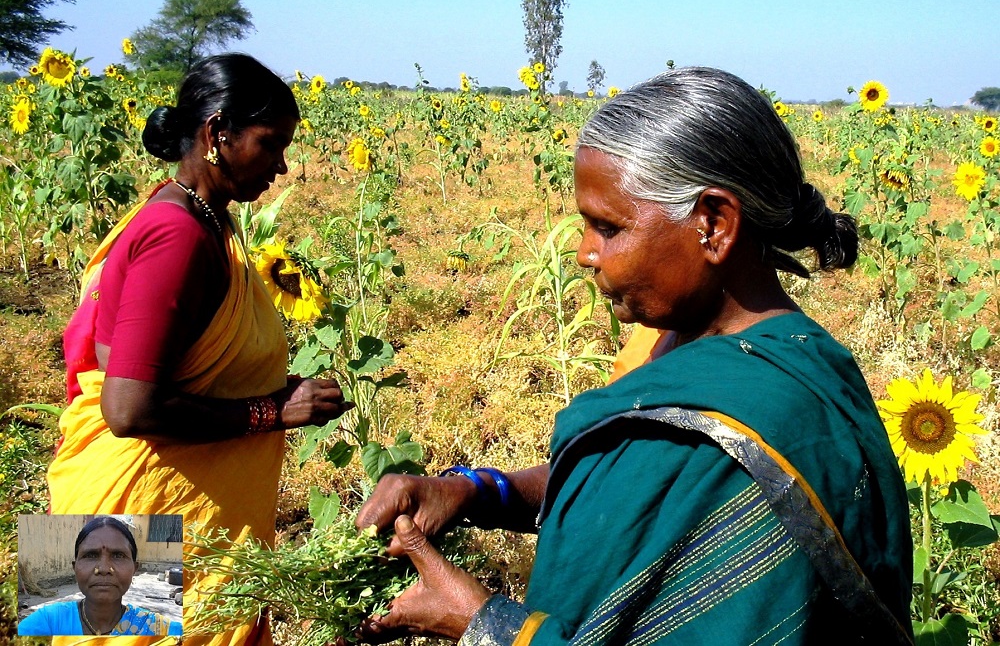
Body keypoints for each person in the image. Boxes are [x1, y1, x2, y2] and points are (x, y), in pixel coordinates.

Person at [355, 67, 915, 645]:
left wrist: (482, 622)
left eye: (607, 227)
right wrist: (477, 492)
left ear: (713, 225)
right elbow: (612, 490)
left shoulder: (773, 418)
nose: (583, 253)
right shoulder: (670, 341)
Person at [47, 53, 353, 646]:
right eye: (270, 144)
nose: (283, 166)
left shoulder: (206, 218)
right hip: (140, 507)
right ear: (217, 134)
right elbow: (128, 408)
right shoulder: (178, 237)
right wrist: (269, 410)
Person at [18, 517, 183, 636]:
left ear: (135, 568)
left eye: (118, 555)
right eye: (90, 555)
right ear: (75, 568)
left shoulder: (160, 631)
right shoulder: (48, 622)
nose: (104, 569)